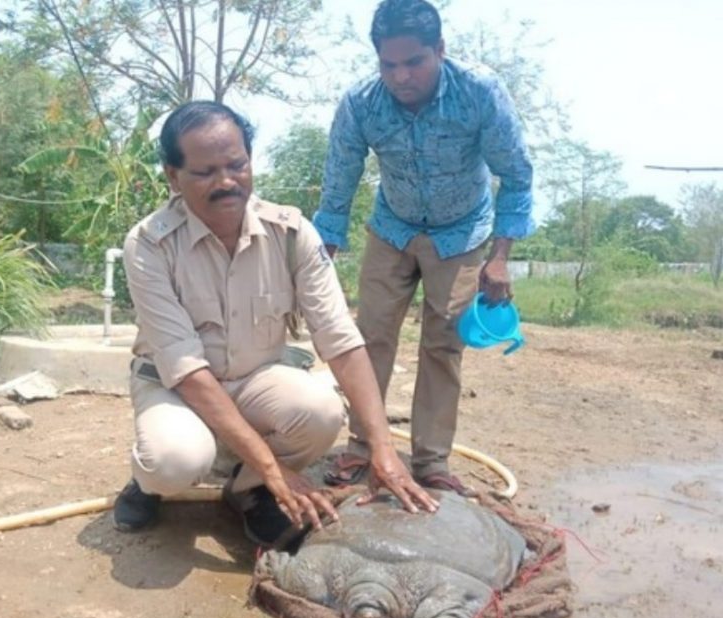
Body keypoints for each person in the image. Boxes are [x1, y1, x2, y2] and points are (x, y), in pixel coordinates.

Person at [113, 100, 438, 546]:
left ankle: (248, 492)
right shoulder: (150, 244)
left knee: (322, 411)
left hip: (254, 380)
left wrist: (382, 448)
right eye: (206, 172)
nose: (226, 183)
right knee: (175, 461)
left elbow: (340, 340)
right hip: (175, 387)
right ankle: (148, 484)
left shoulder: (290, 233)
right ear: (173, 175)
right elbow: (185, 370)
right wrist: (273, 463)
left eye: (237, 165)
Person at [313, 0, 535, 494]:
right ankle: (362, 446)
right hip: (391, 227)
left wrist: (499, 258)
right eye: (388, 65)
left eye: (413, 62)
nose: (401, 77)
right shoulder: (360, 103)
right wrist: (323, 249)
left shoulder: (479, 92)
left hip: (461, 233)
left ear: (439, 49)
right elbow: (339, 179)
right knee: (368, 339)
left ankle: (431, 460)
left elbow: (516, 176)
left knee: (442, 344)